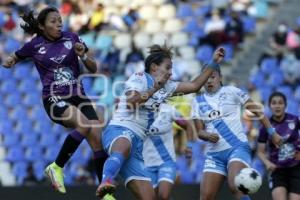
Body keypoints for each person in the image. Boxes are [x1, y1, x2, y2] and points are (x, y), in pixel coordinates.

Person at [95, 44, 225, 199]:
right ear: (154, 67)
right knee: (124, 144)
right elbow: (131, 102)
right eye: (168, 67)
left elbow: (195, 85)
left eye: (172, 68)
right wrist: (154, 88)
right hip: (119, 130)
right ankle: (106, 181)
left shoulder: (168, 87)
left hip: (137, 145)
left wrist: (213, 62)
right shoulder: (140, 78)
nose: (171, 72)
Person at [1, 7, 107, 194]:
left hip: (79, 96)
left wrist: (82, 55)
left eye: (60, 20)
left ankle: (106, 193)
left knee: (98, 140)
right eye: (53, 21)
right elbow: (16, 56)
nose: (59, 23)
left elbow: (92, 68)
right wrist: (9, 60)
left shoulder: (72, 38)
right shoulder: (34, 45)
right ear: (42, 26)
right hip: (54, 97)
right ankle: (56, 167)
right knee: (84, 124)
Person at [191, 67, 283, 200]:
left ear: (220, 77)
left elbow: (258, 111)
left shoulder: (232, 91)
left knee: (236, 185)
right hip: (214, 155)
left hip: (237, 148)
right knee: (205, 197)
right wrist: (206, 135)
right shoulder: (197, 102)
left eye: (213, 77)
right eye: (206, 78)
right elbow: (199, 131)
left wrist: (272, 132)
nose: (209, 81)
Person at [143, 103, 195, 200]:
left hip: (167, 162)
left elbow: (188, 126)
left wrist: (189, 146)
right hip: (147, 164)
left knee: (163, 196)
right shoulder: (138, 113)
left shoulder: (169, 110)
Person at [257, 92, 300, 200]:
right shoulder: (265, 127)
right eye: (274, 103)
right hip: (277, 170)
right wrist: (267, 163)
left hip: (296, 168)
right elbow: (260, 152)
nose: (277, 106)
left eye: (280, 103)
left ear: (285, 105)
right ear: (269, 106)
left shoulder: (295, 120)